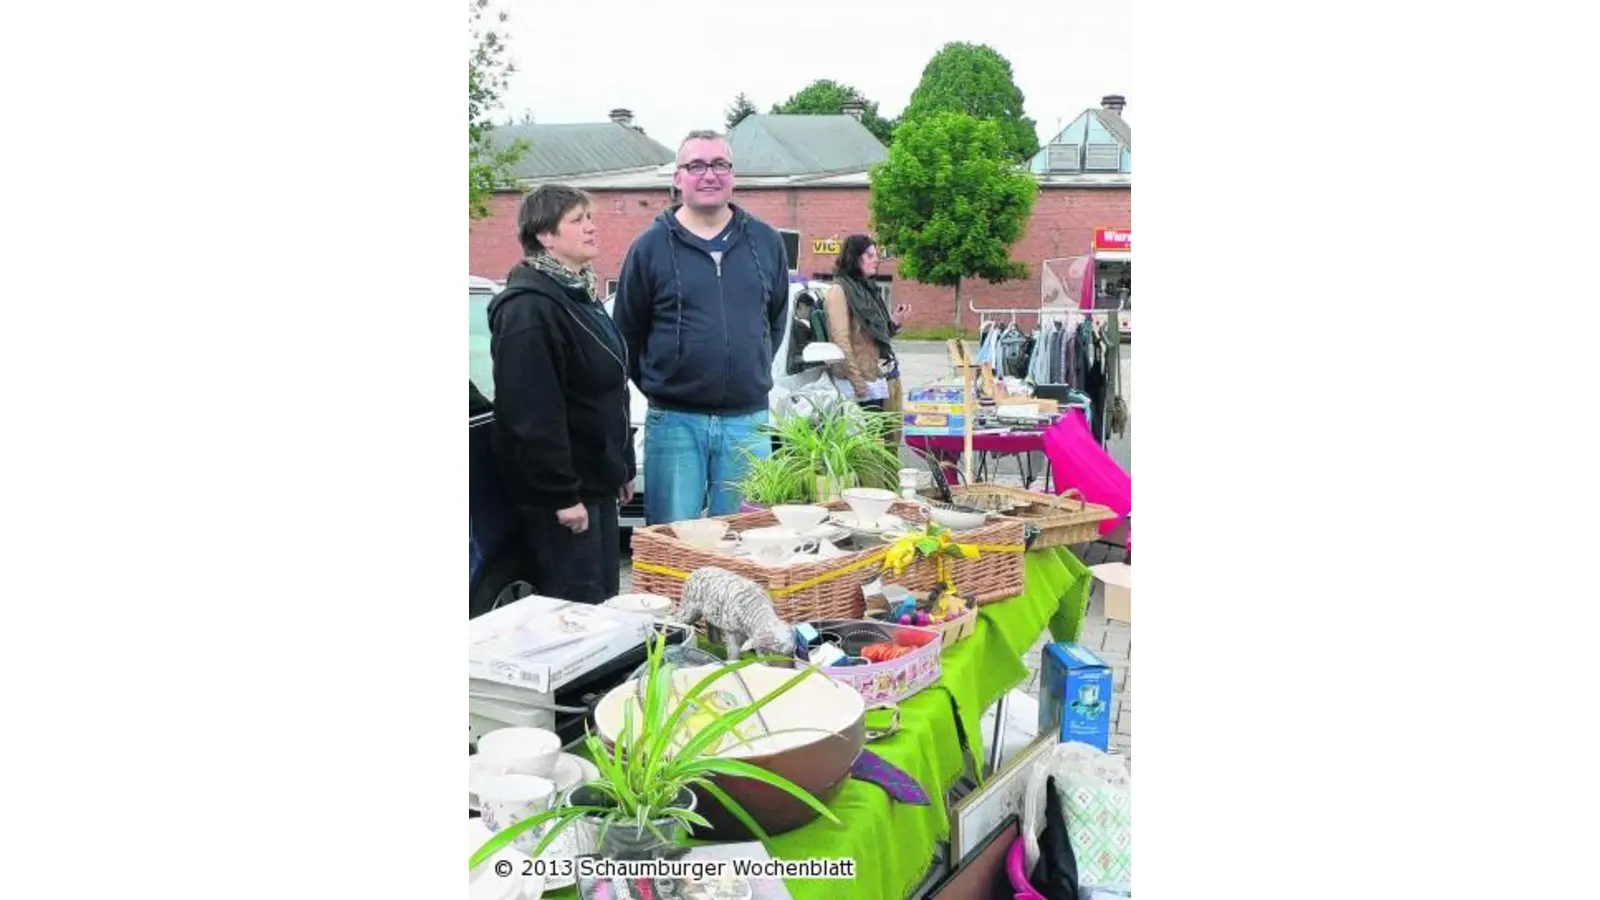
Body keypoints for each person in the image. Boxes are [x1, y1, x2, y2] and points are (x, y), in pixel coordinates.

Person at [612, 129, 790, 525]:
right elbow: (625, 334)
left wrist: (750, 368)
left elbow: (774, 321)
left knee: (744, 544)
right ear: (678, 179)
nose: (709, 174)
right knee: (674, 542)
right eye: (696, 165)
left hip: (748, 423)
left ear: (733, 175)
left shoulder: (766, 242)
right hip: (675, 422)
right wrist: (668, 381)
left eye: (719, 164)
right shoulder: (650, 247)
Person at [487, 184, 634, 603]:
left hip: (596, 483)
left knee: (606, 601)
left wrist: (621, 465)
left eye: (589, 218)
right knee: (577, 613)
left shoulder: (579, 295)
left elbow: (610, 388)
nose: (591, 228)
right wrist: (562, 496)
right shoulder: (529, 309)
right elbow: (532, 414)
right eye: (577, 220)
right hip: (565, 498)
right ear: (545, 236)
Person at [822, 234, 909, 413]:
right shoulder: (839, 291)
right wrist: (858, 384)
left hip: (874, 378)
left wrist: (893, 323)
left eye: (876, 256)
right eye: (870, 256)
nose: (876, 260)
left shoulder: (867, 291)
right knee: (864, 438)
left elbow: (874, 337)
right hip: (855, 385)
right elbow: (841, 342)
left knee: (879, 437)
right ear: (854, 258)